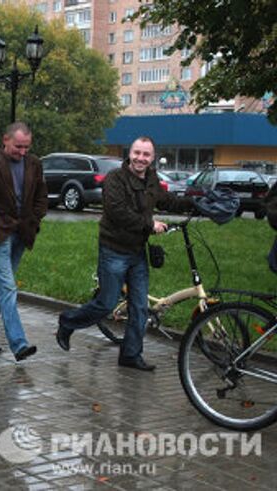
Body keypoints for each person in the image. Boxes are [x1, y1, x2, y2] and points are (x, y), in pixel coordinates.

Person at [55, 136, 194, 371]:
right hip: (113, 250)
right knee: (106, 303)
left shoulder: (151, 178)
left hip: (137, 251)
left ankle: (130, 355)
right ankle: (68, 322)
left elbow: (165, 200)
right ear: (130, 154)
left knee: (139, 306)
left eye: (146, 154)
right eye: (137, 153)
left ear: (151, 157)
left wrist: (194, 203)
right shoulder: (115, 179)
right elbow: (119, 212)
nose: (141, 158)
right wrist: (150, 224)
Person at [0, 122, 47, 361]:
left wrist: (34, 218)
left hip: (22, 232)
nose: (22, 152)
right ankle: (19, 343)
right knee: (7, 286)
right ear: (5, 139)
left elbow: (41, 196)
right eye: (18, 147)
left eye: (26, 147)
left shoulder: (34, 164)